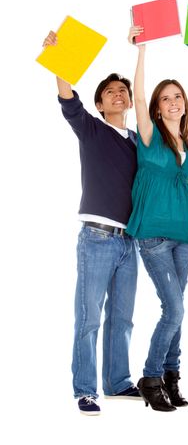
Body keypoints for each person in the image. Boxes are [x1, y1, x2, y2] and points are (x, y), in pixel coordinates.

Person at [42, 32, 140, 416]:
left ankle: (118, 382)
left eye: (123, 91)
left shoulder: (139, 141)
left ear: (130, 101)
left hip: (129, 241)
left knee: (122, 317)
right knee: (88, 317)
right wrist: (58, 56)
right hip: (97, 238)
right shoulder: (91, 129)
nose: (118, 95)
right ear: (100, 104)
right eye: (110, 92)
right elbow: (67, 97)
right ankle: (85, 389)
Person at [127, 26, 188, 412]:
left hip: (185, 233)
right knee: (173, 310)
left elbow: (185, 183)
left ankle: (172, 378)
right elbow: (138, 95)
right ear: (158, 107)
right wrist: (141, 50)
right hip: (155, 235)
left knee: (176, 310)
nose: (172, 102)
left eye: (178, 96)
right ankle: (151, 377)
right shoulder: (149, 135)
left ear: (184, 103)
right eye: (166, 98)